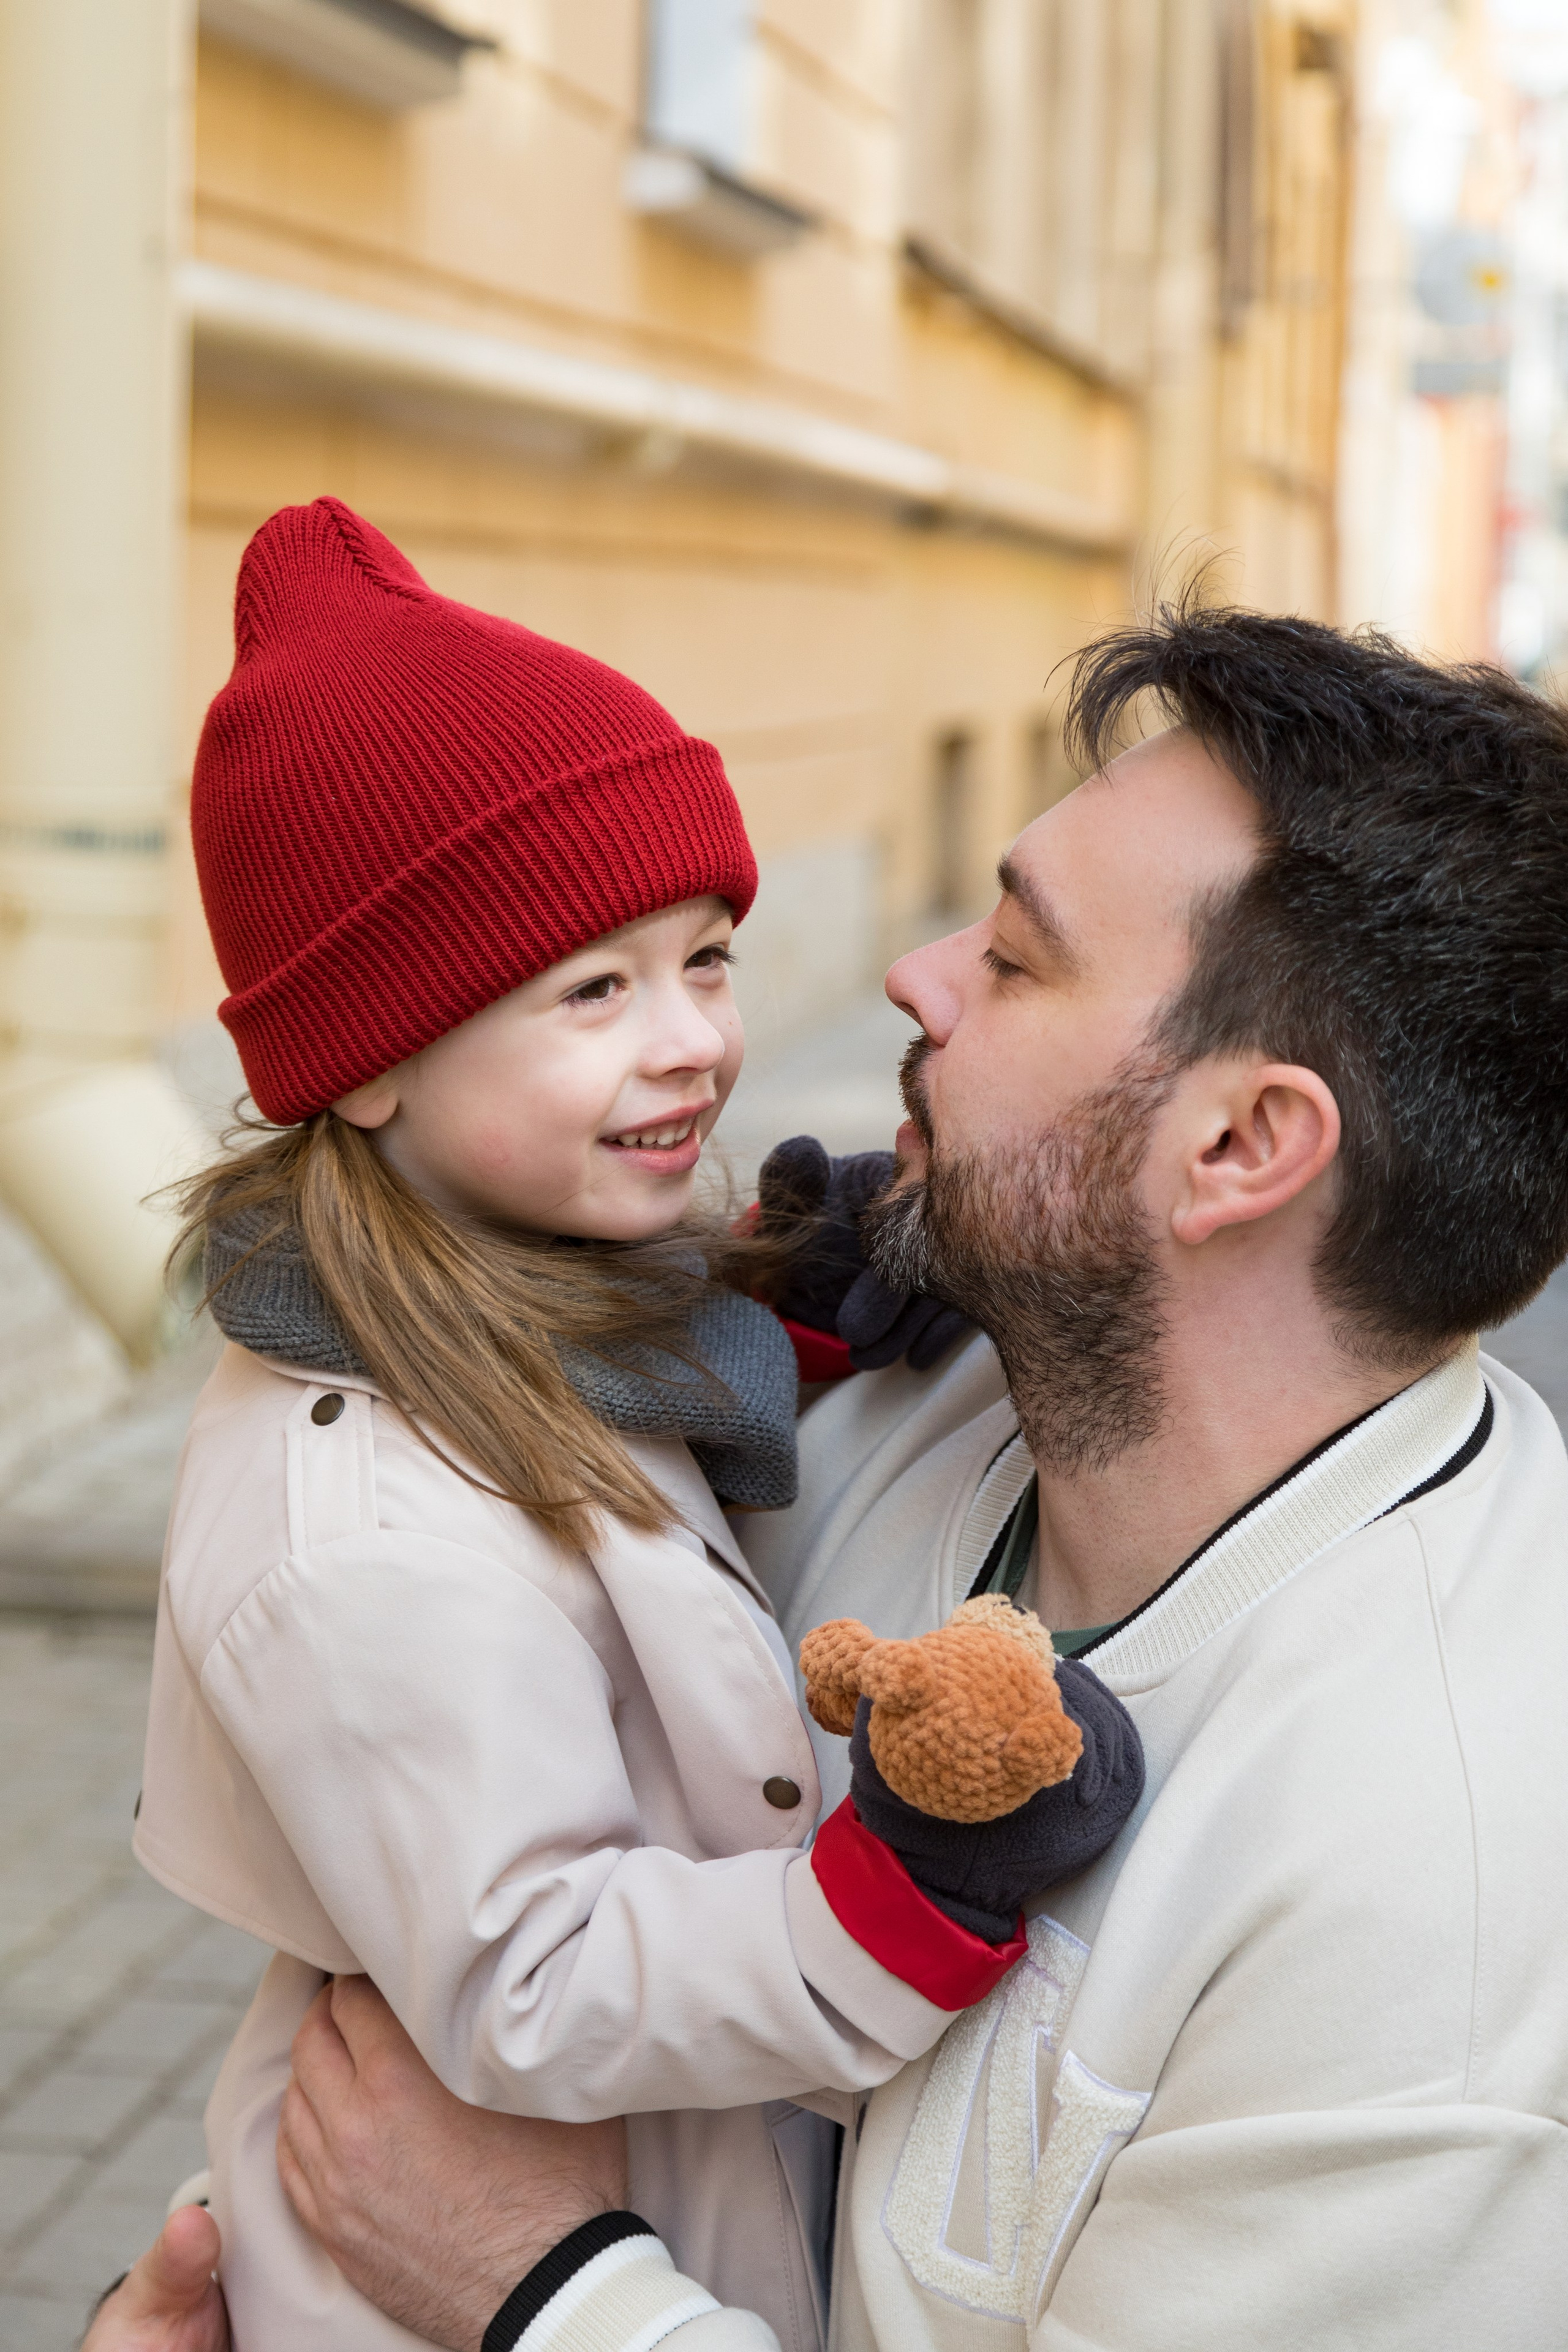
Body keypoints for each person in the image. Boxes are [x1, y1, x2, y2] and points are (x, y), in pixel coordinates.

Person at [100, 600, 1568, 2351]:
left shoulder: (1440, 1911)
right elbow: (471, 1907)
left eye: (1015, 963)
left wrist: (550, 2301)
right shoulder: (901, 1414)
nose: (912, 971)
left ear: (1242, 1146)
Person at [130, 497, 1139, 2352]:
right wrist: (896, 1897)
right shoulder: (364, 1539)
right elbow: (534, 1976)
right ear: (367, 1062)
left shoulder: (525, 1282)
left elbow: (633, 1447)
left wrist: (791, 1326)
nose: (689, 1040)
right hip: (459, 2257)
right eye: (593, 989)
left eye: (706, 956)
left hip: (643, 2168)